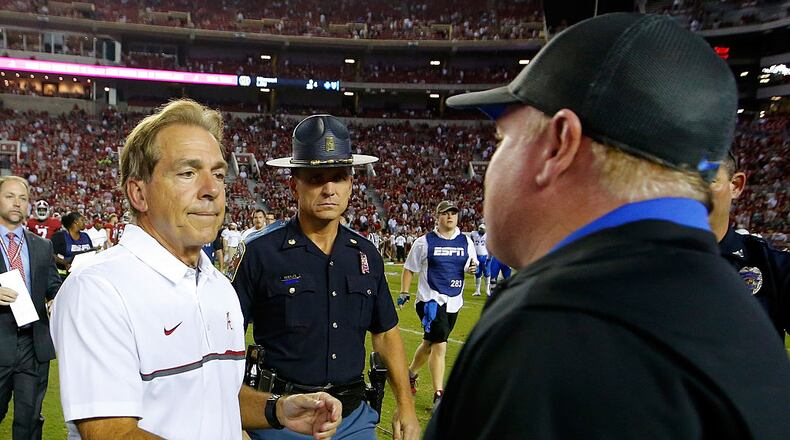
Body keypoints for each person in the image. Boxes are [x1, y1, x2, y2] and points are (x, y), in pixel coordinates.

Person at [424, 13, 790, 439]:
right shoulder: (735, 306)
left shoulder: (556, 325)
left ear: (559, 144)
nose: (495, 162)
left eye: (502, 140)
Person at [50, 99, 342, 440]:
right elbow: (112, 433)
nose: (212, 189)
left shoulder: (218, 287)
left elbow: (216, 396)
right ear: (138, 193)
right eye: (188, 173)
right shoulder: (99, 289)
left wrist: (277, 409)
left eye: (218, 174)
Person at [232, 114, 420, 440]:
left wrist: (405, 405)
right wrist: (238, 422)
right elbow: (224, 342)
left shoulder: (366, 255)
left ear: (351, 184)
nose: (329, 189)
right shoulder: (259, 252)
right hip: (280, 420)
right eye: (317, 178)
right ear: (295, 184)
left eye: (339, 177)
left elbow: (386, 334)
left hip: (353, 418)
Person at [0, 176, 62, 440]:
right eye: (10, 196)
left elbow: (53, 286)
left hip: (33, 345)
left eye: (23, 198)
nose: (17, 203)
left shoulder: (42, 245)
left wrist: (57, 299)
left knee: (29, 421)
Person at [398, 201, 477, 407]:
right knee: (440, 345)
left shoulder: (466, 242)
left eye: (454, 213)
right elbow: (409, 268)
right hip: (429, 300)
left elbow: (472, 264)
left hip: (454, 301)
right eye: (445, 213)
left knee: (429, 343)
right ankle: (439, 395)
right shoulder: (424, 242)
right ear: (437, 216)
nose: (450, 217)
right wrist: (405, 292)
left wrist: (473, 269)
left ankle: (410, 374)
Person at [710, 151, 790, 339]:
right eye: (680, 182)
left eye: (707, 178)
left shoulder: (771, 267)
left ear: (736, 186)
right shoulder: (641, 264)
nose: (691, 193)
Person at [50, 212, 93, 277]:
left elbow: (90, 252)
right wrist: (64, 262)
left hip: (84, 274)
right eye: (82, 220)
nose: (85, 222)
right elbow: (51, 254)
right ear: (76, 222)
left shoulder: (85, 236)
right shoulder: (59, 236)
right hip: (63, 276)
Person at [469, 224, 490, 296]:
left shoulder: (488, 235)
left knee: (487, 273)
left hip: (485, 256)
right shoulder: (473, 234)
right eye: (482, 229)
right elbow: (471, 242)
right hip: (476, 256)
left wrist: (489, 257)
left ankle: (487, 290)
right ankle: (477, 291)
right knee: (477, 274)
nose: (483, 231)